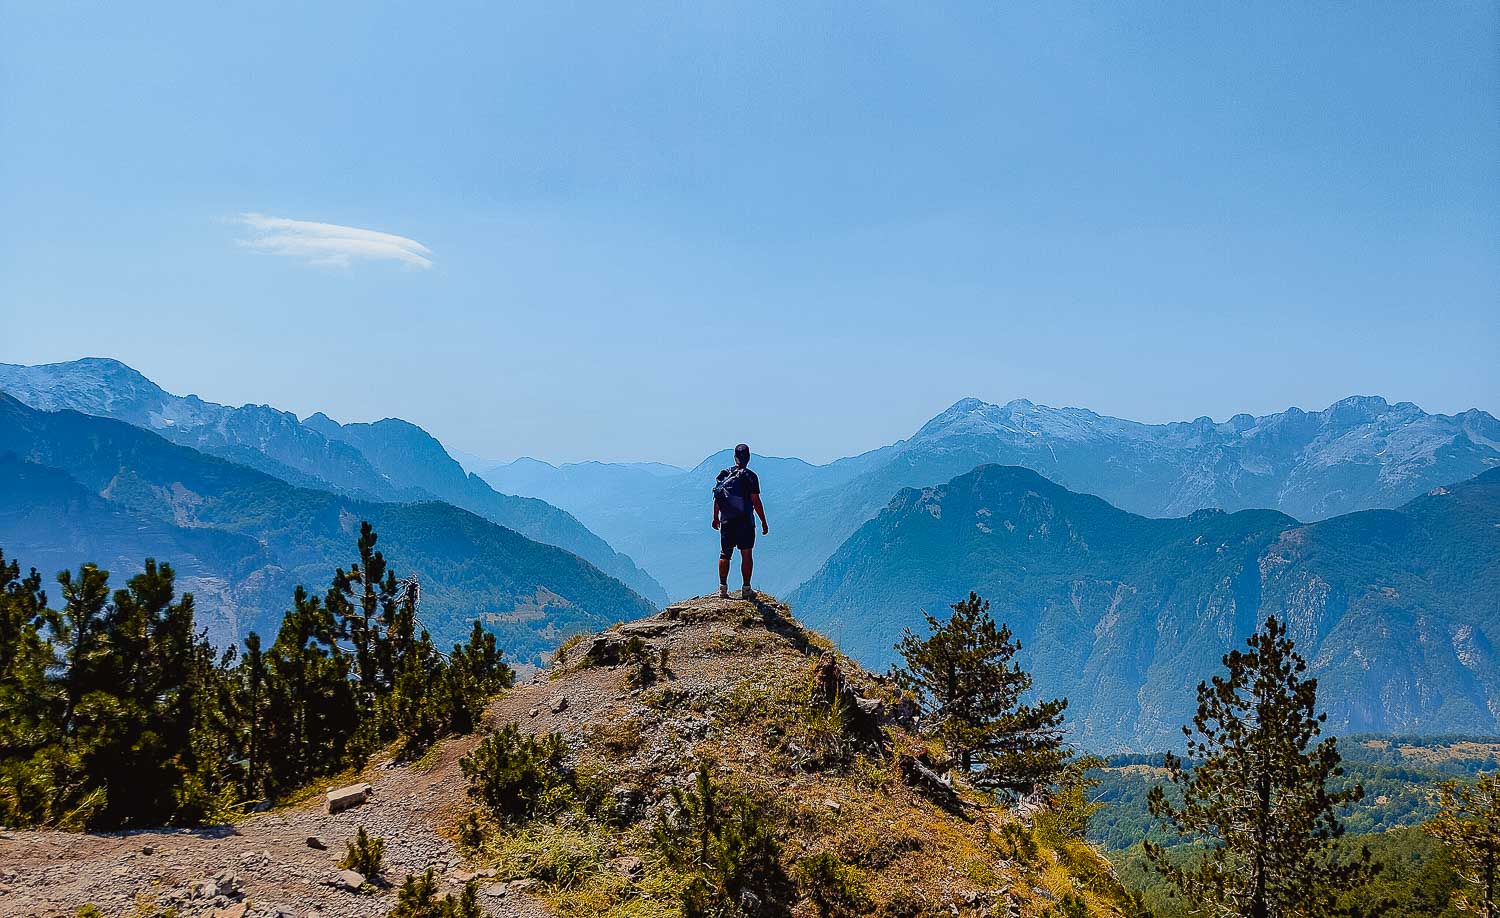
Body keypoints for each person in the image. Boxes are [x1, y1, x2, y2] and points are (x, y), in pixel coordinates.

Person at [712, 443, 768, 599]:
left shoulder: (724, 475)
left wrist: (715, 517)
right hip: (745, 522)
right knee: (746, 554)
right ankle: (746, 589)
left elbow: (717, 498)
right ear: (748, 457)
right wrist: (763, 521)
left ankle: (722, 589)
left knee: (725, 555)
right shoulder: (750, 476)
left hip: (727, 521)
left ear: (734, 457)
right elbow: (755, 501)